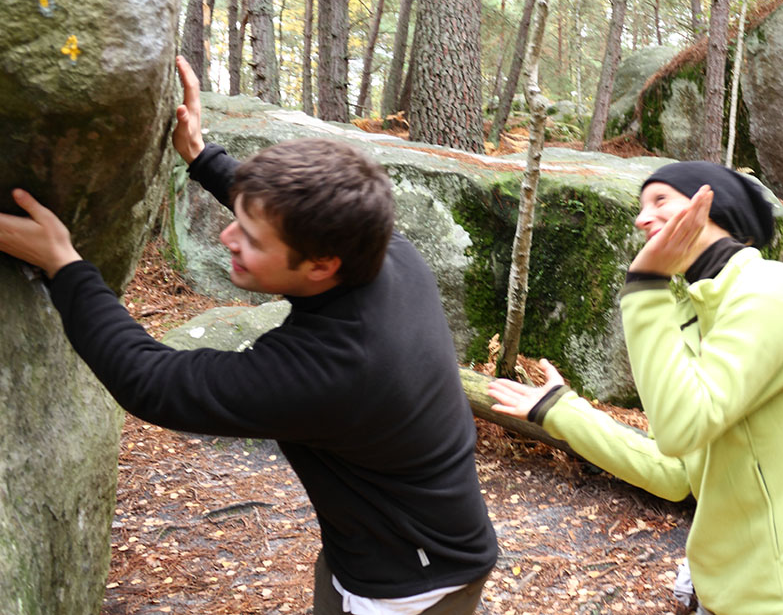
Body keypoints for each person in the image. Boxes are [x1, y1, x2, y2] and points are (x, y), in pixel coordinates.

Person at [0, 57, 498, 614]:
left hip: (414, 583)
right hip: (378, 542)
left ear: (320, 266)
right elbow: (296, 215)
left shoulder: (329, 368)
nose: (227, 235)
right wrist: (201, 155)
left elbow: (150, 382)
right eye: (238, 216)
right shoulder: (385, 250)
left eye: (252, 238)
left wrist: (62, 263)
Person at [489, 161, 783, 615]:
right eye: (641, 206)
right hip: (730, 597)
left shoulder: (773, 291)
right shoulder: (695, 312)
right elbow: (677, 471)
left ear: (708, 205)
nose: (641, 218)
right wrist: (562, 411)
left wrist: (644, 285)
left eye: (660, 201)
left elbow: (681, 425)